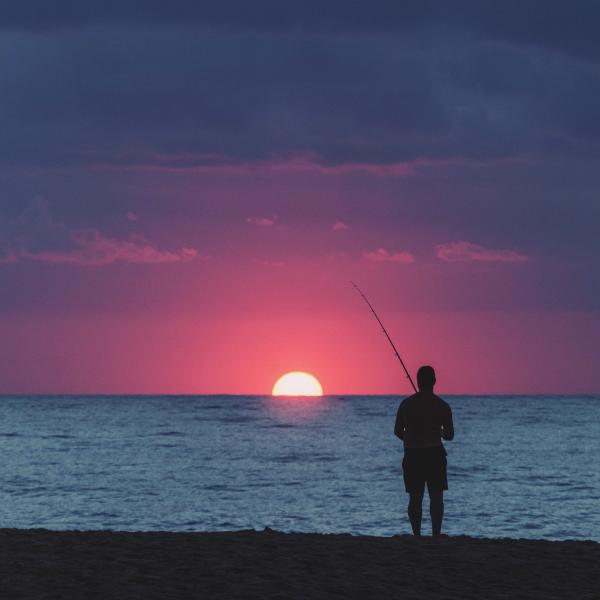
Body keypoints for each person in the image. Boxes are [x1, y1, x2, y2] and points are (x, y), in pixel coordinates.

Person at [394, 365, 454, 536]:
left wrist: (411, 437)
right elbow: (450, 435)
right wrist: (438, 432)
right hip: (435, 454)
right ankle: (436, 534)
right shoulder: (442, 406)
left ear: (418, 381)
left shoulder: (406, 405)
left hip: (413, 455)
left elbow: (397, 431)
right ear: (434, 381)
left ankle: (416, 535)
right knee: (437, 498)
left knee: (415, 499)